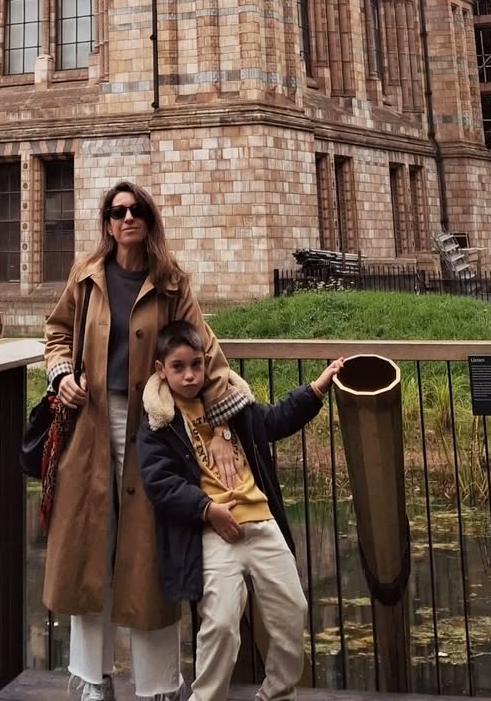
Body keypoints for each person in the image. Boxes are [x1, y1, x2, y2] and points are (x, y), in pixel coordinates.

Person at [43, 182, 249, 701]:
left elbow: (205, 354)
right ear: (107, 223)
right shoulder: (87, 274)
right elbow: (57, 332)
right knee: (90, 550)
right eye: (117, 212)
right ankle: (91, 679)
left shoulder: (170, 281)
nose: (127, 218)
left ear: (149, 219)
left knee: (148, 554)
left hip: (155, 429)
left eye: (136, 210)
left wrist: (222, 428)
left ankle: (158, 684)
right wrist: (62, 373)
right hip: (91, 426)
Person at [138, 319, 344, 701]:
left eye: (196, 365)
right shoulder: (160, 421)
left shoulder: (231, 405)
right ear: (161, 370)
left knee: (292, 610)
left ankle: (277, 694)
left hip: (261, 523)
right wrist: (207, 509)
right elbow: (159, 481)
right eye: (179, 367)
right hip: (214, 532)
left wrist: (316, 388)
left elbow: (274, 420)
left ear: (207, 363)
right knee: (220, 623)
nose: (189, 375)